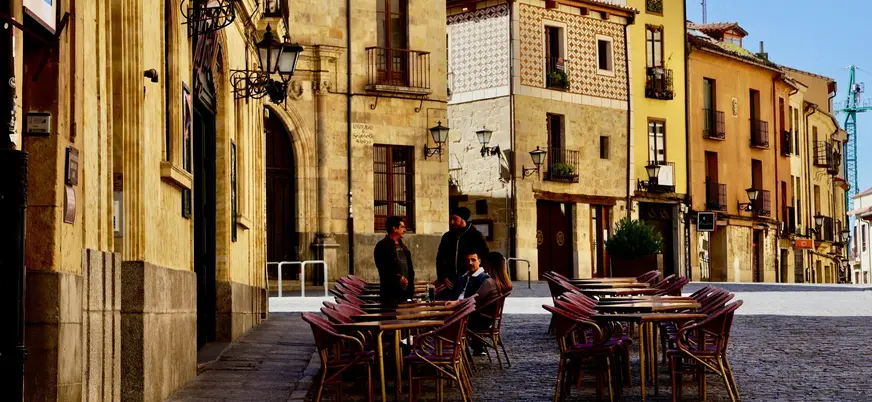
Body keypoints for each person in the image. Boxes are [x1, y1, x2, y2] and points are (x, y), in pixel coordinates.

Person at [435, 207, 489, 289]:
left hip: (471, 280)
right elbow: (440, 259)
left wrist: (480, 276)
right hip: (450, 282)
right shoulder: (447, 237)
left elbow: (485, 257)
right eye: (451, 219)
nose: (452, 222)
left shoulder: (476, 236)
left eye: (455, 219)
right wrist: (443, 277)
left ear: (463, 219)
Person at [373, 216, 415, 305]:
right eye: (402, 227)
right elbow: (383, 269)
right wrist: (398, 278)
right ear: (394, 228)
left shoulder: (403, 246)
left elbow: (409, 267)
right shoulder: (382, 246)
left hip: (405, 294)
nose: (405, 230)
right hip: (390, 296)